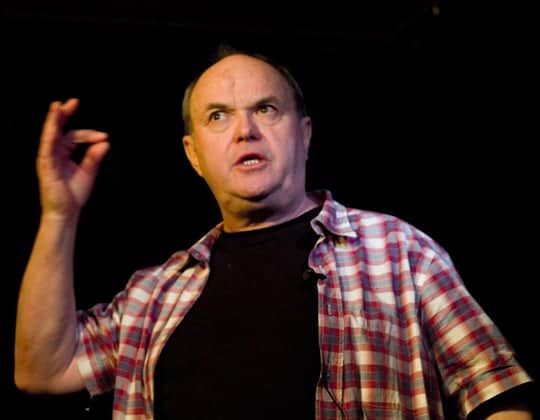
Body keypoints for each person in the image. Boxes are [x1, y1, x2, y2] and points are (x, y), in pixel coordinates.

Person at [14, 45, 535, 420]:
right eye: (218, 116)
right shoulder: (154, 294)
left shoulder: (400, 252)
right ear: (194, 155)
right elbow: (42, 369)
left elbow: (495, 388)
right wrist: (59, 215)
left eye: (265, 109)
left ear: (304, 134)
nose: (246, 130)